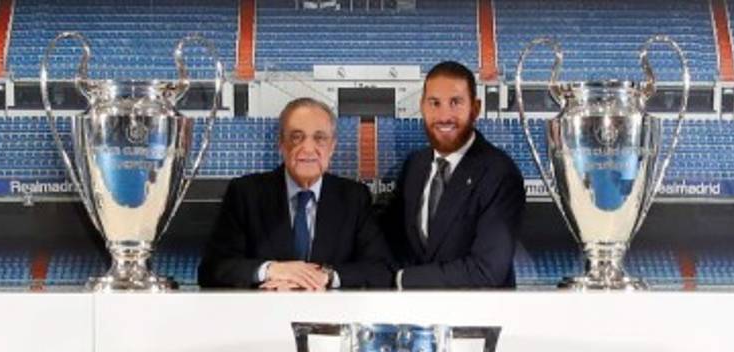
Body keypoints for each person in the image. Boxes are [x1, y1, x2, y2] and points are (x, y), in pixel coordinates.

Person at [198, 98, 392, 290]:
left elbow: (381, 270)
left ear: (332, 147)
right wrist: (271, 270)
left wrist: (326, 277)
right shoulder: (246, 193)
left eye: (319, 138)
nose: (308, 148)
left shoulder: (354, 197)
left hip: (331, 316)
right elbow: (212, 269)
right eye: (297, 137)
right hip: (263, 315)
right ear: (281, 144)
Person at [380, 61, 525, 289]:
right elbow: (393, 242)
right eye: (434, 103)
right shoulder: (414, 165)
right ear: (423, 106)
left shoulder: (499, 173)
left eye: (455, 102)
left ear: (475, 108)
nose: (444, 115)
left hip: (475, 321)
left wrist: (402, 279)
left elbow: (486, 270)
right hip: (417, 319)